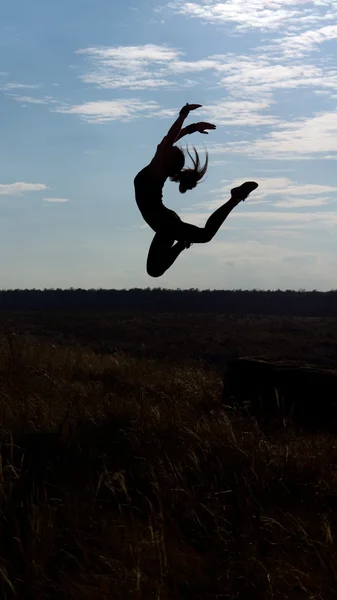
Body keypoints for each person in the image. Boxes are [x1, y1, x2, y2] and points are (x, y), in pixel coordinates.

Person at [134, 103, 258, 278]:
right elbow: (169, 139)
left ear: (167, 159)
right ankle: (234, 199)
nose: (166, 146)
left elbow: (170, 137)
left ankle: (234, 199)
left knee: (156, 269)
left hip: (165, 224)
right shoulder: (159, 168)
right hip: (165, 222)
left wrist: (184, 115)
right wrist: (192, 128)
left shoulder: (157, 169)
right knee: (202, 237)